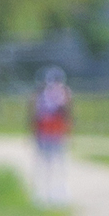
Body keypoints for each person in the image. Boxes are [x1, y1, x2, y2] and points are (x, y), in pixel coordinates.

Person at [29, 65, 73, 207]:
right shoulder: (42, 95)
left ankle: (56, 193)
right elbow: (34, 116)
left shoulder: (60, 94)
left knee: (55, 165)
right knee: (47, 165)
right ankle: (44, 194)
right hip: (48, 133)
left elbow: (66, 114)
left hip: (54, 132)